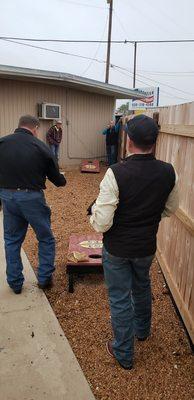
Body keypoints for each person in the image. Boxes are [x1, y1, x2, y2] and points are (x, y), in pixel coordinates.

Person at [90, 114, 179, 370]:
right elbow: (170, 209)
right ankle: (142, 331)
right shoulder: (169, 172)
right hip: (146, 246)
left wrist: (93, 216)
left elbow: (103, 222)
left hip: (117, 248)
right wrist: (148, 218)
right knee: (141, 287)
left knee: (119, 298)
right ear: (154, 141)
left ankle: (124, 353)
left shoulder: (116, 173)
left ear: (129, 141)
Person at [0, 115, 66, 294]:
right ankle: (44, 278)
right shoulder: (40, 147)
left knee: (12, 240)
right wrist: (62, 180)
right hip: (31, 198)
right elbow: (56, 177)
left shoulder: (2, 143)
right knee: (45, 237)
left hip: (7, 195)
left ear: (19, 125)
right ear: (35, 128)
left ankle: (14, 283)